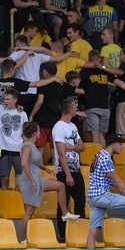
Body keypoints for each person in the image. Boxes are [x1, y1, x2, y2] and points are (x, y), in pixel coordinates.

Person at [86, 132, 125, 250]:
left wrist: (121, 186)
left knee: (93, 230)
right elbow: (116, 181)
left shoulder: (98, 155)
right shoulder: (106, 158)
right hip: (101, 195)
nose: (122, 147)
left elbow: (107, 180)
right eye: (120, 144)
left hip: (93, 196)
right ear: (113, 144)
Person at [19, 122, 79, 242]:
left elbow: (36, 163)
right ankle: (24, 239)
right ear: (35, 133)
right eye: (39, 131)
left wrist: (45, 168)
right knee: (29, 211)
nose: (40, 133)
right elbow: (24, 164)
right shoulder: (27, 146)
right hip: (29, 180)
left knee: (60, 186)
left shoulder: (33, 145)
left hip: (37, 178)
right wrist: (32, 180)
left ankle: (65, 213)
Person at [53, 98, 86, 242]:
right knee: (63, 204)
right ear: (69, 110)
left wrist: (71, 147)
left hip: (77, 169)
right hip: (64, 171)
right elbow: (61, 153)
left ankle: (81, 232)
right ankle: (63, 235)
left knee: (81, 202)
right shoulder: (59, 127)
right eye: (74, 106)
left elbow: (81, 147)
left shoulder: (73, 125)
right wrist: (67, 175)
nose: (76, 108)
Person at [0, 88, 29, 190]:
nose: (5, 101)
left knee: (19, 180)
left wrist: (26, 148)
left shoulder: (23, 114)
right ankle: (4, 201)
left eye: (8, 99)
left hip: (18, 150)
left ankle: (18, 202)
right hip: (4, 150)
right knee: (5, 178)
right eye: (4, 99)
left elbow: (25, 133)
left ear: (15, 100)